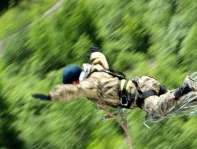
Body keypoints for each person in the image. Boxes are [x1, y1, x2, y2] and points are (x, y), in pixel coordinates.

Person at [32, 46, 197, 117]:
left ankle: (186, 87)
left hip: (139, 94)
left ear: (75, 82)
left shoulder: (88, 85)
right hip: (142, 86)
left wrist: (52, 96)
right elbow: (99, 58)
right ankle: (193, 95)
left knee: (158, 109)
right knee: (174, 106)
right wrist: (94, 51)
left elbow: (70, 92)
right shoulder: (97, 71)